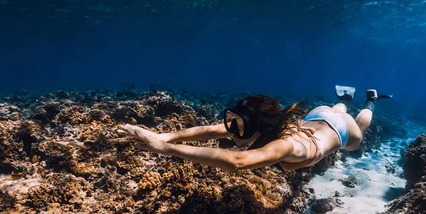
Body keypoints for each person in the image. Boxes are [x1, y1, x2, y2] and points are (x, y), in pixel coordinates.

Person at [119, 86, 391, 171]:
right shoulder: (261, 126)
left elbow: (238, 161)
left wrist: (166, 148)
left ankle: (370, 101)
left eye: (238, 127)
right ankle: (343, 101)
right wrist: (165, 135)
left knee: (359, 134)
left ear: (258, 126)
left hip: (340, 130)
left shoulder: (285, 145)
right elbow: (212, 130)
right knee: (337, 112)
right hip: (319, 117)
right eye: (233, 122)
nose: (231, 131)